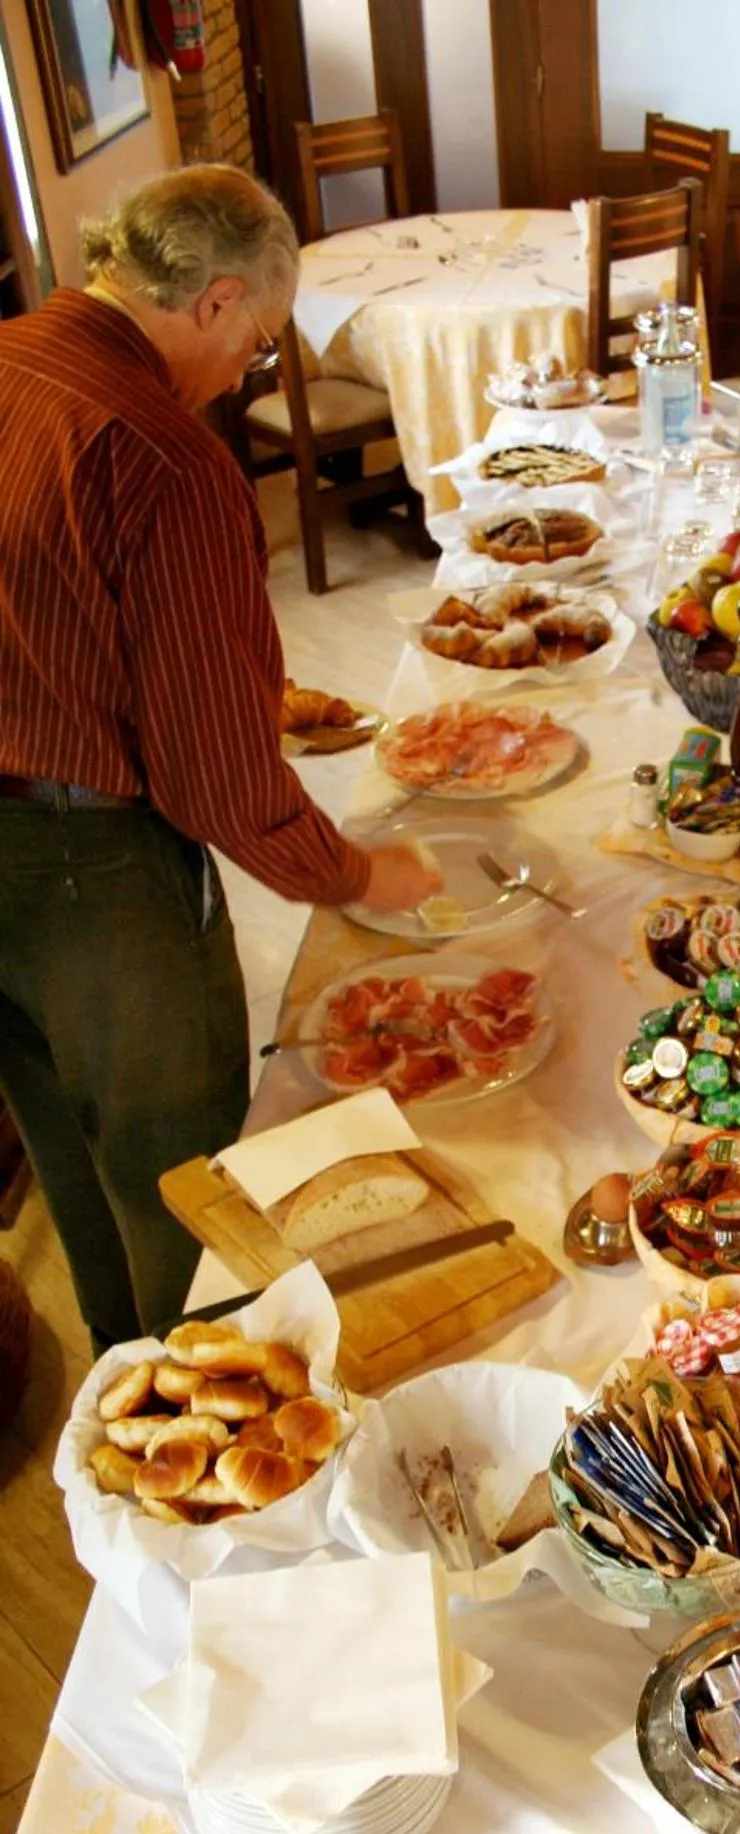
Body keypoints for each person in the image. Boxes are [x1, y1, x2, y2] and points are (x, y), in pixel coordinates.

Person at [0, 164, 441, 1352]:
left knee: (57, 1127)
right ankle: (201, 1396)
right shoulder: (165, 457)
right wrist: (352, 871)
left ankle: (122, 1368)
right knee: (178, 1171)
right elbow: (214, 786)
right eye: (255, 344)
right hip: (92, 870)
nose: (244, 368)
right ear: (216, 300)